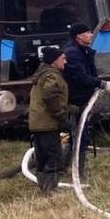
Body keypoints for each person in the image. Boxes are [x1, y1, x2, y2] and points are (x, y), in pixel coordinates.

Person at [62, 22, 110, 178]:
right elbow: (81, 77)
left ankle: (68, 165)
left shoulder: (84, 51)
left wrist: (96, 84)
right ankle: (77, 173)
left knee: (81, 134)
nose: (91, 35)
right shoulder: (73, 54)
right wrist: (102, 84)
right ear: (79, 37)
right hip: (76, 100)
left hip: (83, 98)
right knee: (79, 135)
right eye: (87, 33)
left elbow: (89, 74)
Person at [28, 45, 73, 195]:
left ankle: (44, 189)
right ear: (55, 60)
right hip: (48, 124)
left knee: (41, 159)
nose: (65, 62)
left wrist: (73, 109)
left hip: (37, 124)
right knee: (52, 158)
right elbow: (50, 96)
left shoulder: (41, 76)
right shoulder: (52, 76)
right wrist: (61, 116)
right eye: (63, 58)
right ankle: (50, 191)